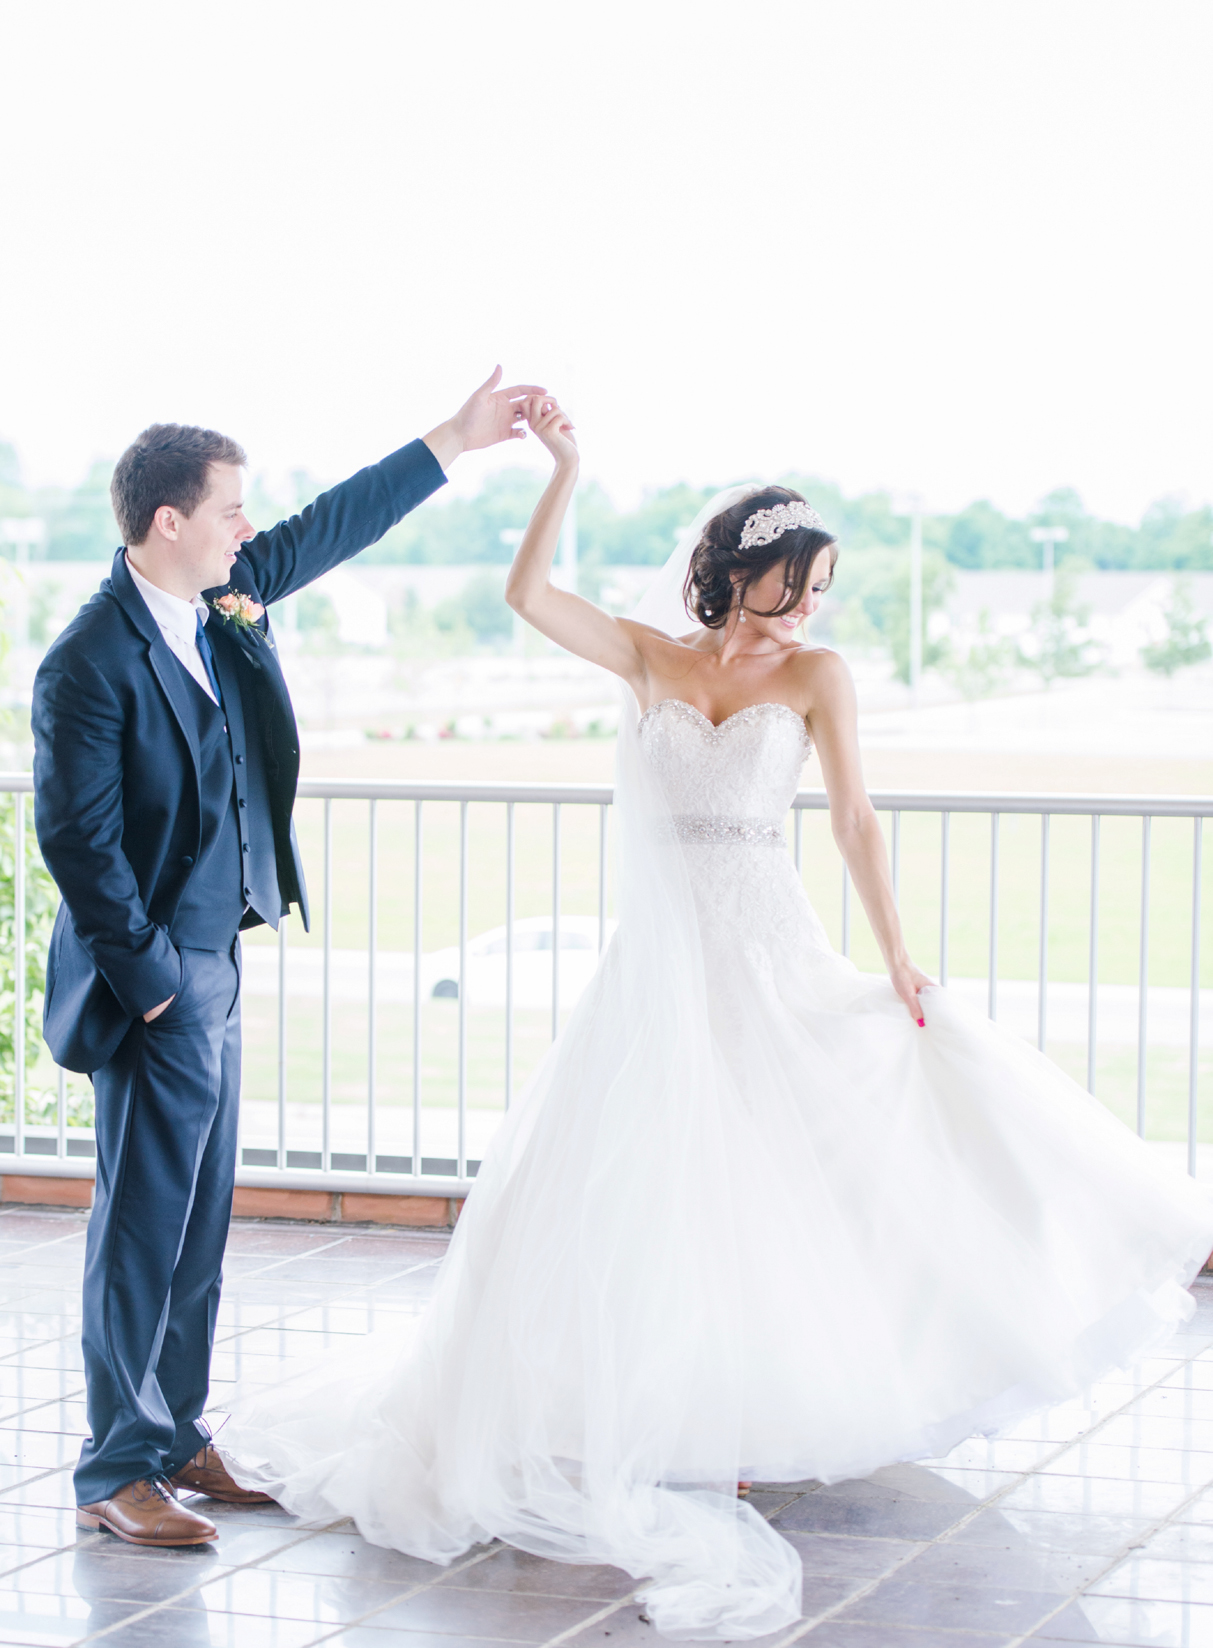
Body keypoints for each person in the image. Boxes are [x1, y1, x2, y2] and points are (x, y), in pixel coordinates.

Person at [218, 398, 1213, 1640]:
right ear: (738, 575)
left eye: (822, 591)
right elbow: (529, 594)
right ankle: (654, 1415)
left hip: (767, 950)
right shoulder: (650, 657)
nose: (808, 609)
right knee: (646, 1190)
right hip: (657, 971)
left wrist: (898, 956)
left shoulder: (818, 676)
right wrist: (565, 469)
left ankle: (747, 1415)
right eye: (795, 587)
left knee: (773, 1181)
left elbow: (854, 819)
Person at [31, 368, 545, 1549]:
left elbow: (331, 525)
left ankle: (175, 1434)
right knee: (140, 1228)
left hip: (220, 958)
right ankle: (114, 1468)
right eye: (230, 508)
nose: (247, 527)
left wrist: (456, 439)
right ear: (170, 520)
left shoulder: (223, 595)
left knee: (200, 1219)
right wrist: (156, 985)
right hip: (156, 982)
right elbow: (80, 846)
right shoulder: (88, 661)